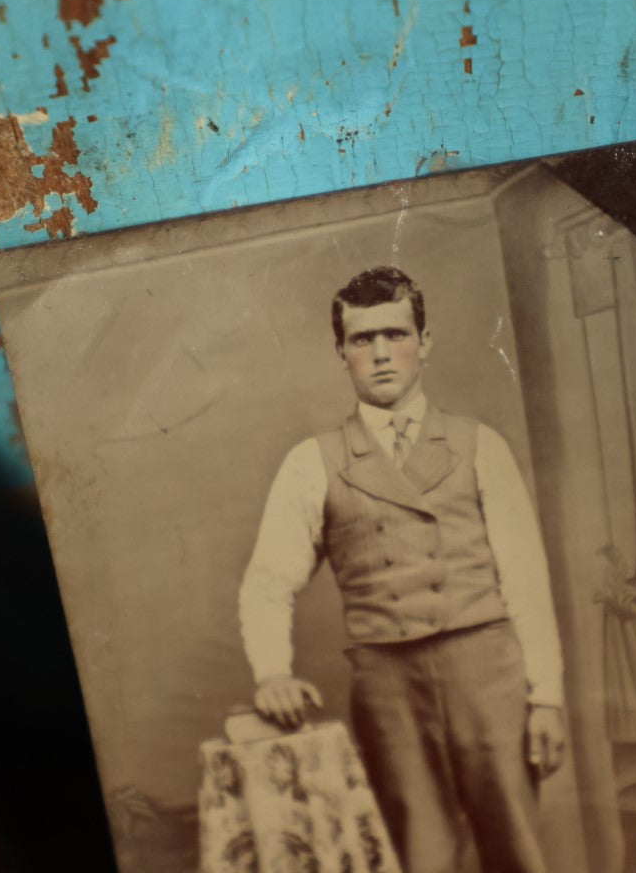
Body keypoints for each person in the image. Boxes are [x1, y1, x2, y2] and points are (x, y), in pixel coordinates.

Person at [238, 266, 567, 873]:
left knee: (517, 849)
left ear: (425, 342)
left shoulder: (479, 445)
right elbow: (267, 584)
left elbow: (526, 577)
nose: (381, 354)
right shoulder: (312, 463)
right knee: (420, 855)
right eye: (363, 340)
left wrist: (546, 696)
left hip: (489, 676)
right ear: (341, 352)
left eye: (396, 334)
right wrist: (271, 674)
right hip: (387, 687)